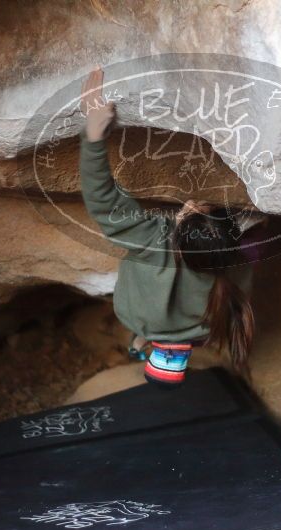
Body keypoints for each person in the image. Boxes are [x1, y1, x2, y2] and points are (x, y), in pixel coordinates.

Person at [78, 67, 255, 388]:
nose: (190, 204)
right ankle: (148, 343)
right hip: (148, 321)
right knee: (152, 325)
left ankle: (149, 343)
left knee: (153, 326)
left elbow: (102, 198)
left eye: (189, 212)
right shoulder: (228, 271)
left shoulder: (155, 242)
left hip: (165, 325)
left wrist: (93, 135)